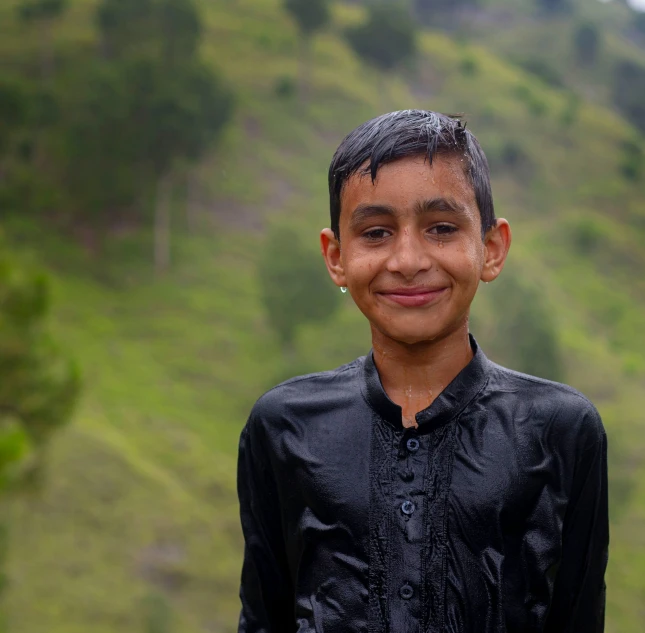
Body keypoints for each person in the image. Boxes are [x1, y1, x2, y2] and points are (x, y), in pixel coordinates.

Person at [236, 110, 609, 632]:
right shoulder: (283, 425)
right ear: (336, 256)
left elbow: (579, 615)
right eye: (376, 233)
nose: (408, 259)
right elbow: (263, 618)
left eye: (441, 228)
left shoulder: (561, 429)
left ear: (492, 248)